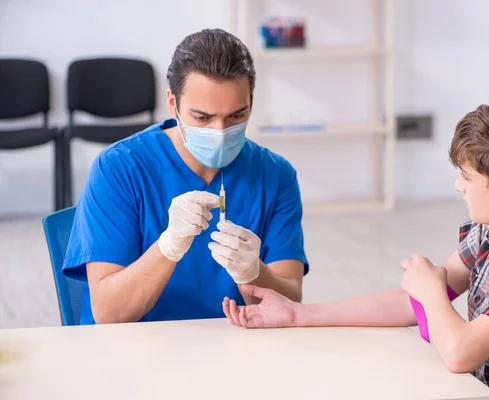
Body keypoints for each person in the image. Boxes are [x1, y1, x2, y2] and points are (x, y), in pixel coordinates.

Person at [222, 93, 489, 399]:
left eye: (467, 176)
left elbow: (458, 351)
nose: (458, 186)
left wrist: (432, 291)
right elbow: (414, 301)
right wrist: (297, 315)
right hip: (480, 387)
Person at [63, 29, 308, 325]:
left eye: (236, 116)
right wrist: (168, 246)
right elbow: (109, 314)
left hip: (234, 348)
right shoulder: (119, 169)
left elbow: (289, 304)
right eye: (202, 118)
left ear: (251, 103)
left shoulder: (276, 176)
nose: (219, 133)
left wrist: (253, 272)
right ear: (172, 103)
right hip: (138, 353)